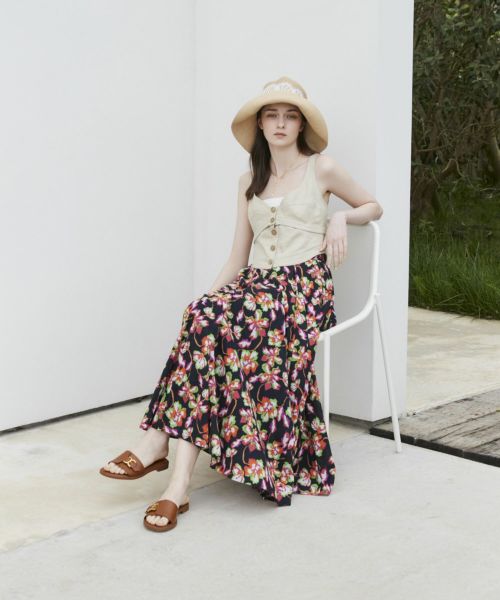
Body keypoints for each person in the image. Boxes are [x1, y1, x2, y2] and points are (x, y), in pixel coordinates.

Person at [100, 76, 383, 533]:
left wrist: (341, 217)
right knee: (202, 317)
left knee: (221, 323)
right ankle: (175, 484)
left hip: (301, 289)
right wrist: (206, 302)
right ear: (260, 125)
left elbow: (374, 206)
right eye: (272, 115)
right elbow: (238, 255)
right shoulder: (249, 180)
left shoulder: (323, 169)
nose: (281, 123)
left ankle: (158, 446)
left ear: (301, 125)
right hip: (255, 286)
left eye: (290, 116)